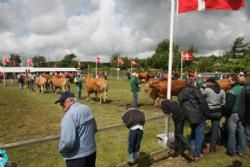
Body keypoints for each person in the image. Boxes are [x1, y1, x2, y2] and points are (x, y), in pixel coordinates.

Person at [55, 91, 97, 167]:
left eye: (62, 102)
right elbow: (94, 128)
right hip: (91, 153)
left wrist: (61, 150)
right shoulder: (87, 108)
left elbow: (67, 142)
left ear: (70, 101)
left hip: (77, 158)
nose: (61, 105)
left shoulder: (69, 116)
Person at [178, 78, 209, 160]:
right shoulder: (196, 91)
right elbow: (203, 103)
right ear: (193, 83)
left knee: (193, 133)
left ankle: (191, 150)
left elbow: (181, 104)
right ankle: (197, 154)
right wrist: (207, 115)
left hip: (189, 116)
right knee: (199, 135)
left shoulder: (181, 92)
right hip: (198, 115)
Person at [201, 77, 226, 152]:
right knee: (215, 130)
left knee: (201, 128)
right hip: (218, 112)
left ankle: (201, 145)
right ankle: (213, 148)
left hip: (208, 112)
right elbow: (223, 103)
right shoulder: (222, 91)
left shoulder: (207, 90)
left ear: (210, 83)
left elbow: (199, 94)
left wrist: (202, 87)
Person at [224, 74, 246, 156]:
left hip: (233, 114)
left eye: (229, 80)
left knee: (232, 133)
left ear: (234, 80)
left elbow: (228, 106)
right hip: (243, 114)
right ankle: (241, 151)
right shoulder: (245, 89)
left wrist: (225, 115)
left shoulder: (231, 91)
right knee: (242, 132)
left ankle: (232, 151)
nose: (228, 82)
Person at [239, 82, 250, 148]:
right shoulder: (245, 88)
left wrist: (242, 118)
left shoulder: (245, 88)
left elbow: (242, 105)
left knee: (248, 135)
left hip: (248, 117)